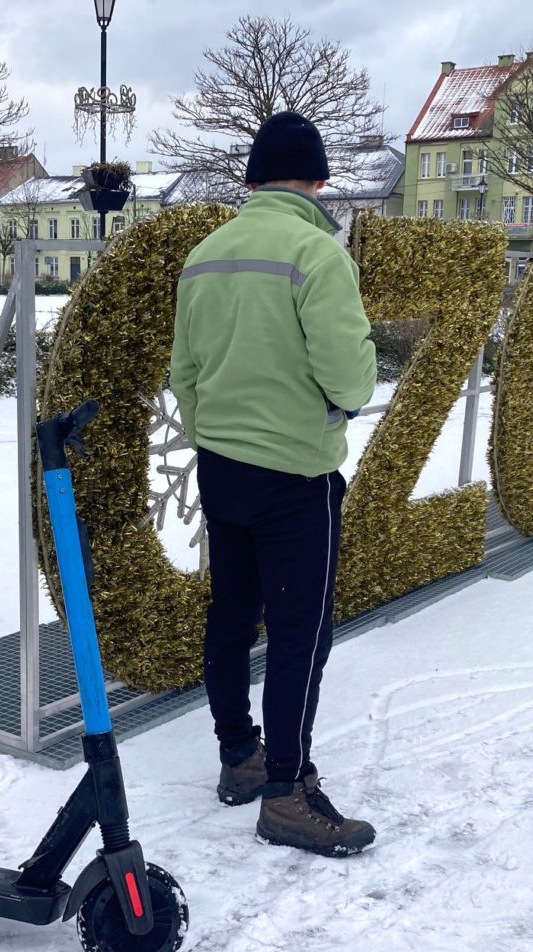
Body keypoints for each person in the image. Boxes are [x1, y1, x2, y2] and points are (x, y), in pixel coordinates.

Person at [168, 111, 377, 857]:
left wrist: (214, 432)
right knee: (299, 633)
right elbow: (351, 371)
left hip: (223, 467)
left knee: (231, 612)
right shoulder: (316, 254)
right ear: (317, 179)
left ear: (251, 179)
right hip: (297, 472)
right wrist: (334, 410)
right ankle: (288, 791)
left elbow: (183, 373)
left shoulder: (205, 255)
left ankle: (238, 757)